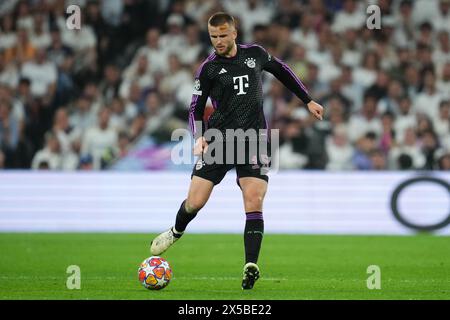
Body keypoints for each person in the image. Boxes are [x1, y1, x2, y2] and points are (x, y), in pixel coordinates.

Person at [150, 12, 324, 290]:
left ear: (234, 33)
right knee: (195, 202)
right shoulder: (207, 69)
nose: (217, 41)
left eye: (222, 35)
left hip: (255, 138)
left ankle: (250, 265)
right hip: (220, 140)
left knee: (254, 198)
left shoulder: (255, 54)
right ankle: (176, 231)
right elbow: (195, 107)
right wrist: (198, 137)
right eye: (213, 37)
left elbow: (283, 71)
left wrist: (308, 100)